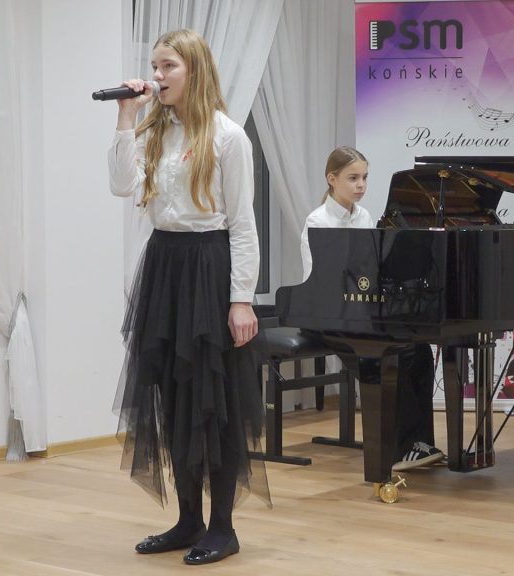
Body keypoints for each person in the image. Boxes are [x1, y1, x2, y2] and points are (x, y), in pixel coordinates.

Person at [108, 28, 269, 566]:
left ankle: (222, 527)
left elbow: (243, 224)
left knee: (213, 402)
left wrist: (241, 299)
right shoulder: (155, 129)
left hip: (209, 265)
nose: (157, 76)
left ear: (194, 71)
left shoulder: (228, 136)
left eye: (167, 66)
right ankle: (187, 520)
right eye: (154, 66)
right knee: (173, 397)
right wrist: (126, 117)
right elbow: (121, 185)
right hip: (165, 265)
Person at [300, 146, 444, 472]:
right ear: (332, 179)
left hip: (360, 310)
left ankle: (420, 443)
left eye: (364, 177)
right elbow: (321, 281)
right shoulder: (318, 221)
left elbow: (370, 271)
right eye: (353, 178)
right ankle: (397, 450)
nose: (361, 185)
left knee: (419, 350)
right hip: (329, 314)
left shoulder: (363, 216)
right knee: (391, 357)